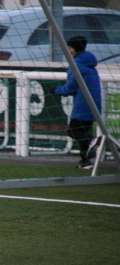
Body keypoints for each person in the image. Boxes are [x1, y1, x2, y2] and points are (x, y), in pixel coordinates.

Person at [51, 35, 102, 169]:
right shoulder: (89, 64)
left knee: (73, 131)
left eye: (69, 48)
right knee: (82, 132)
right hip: (94, 102)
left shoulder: (76, 66)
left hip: (83, 103)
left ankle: (94, 141)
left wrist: (55, 90)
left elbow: (71, 88)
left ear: (75, 48)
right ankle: (85, 161)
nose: (68, 50)